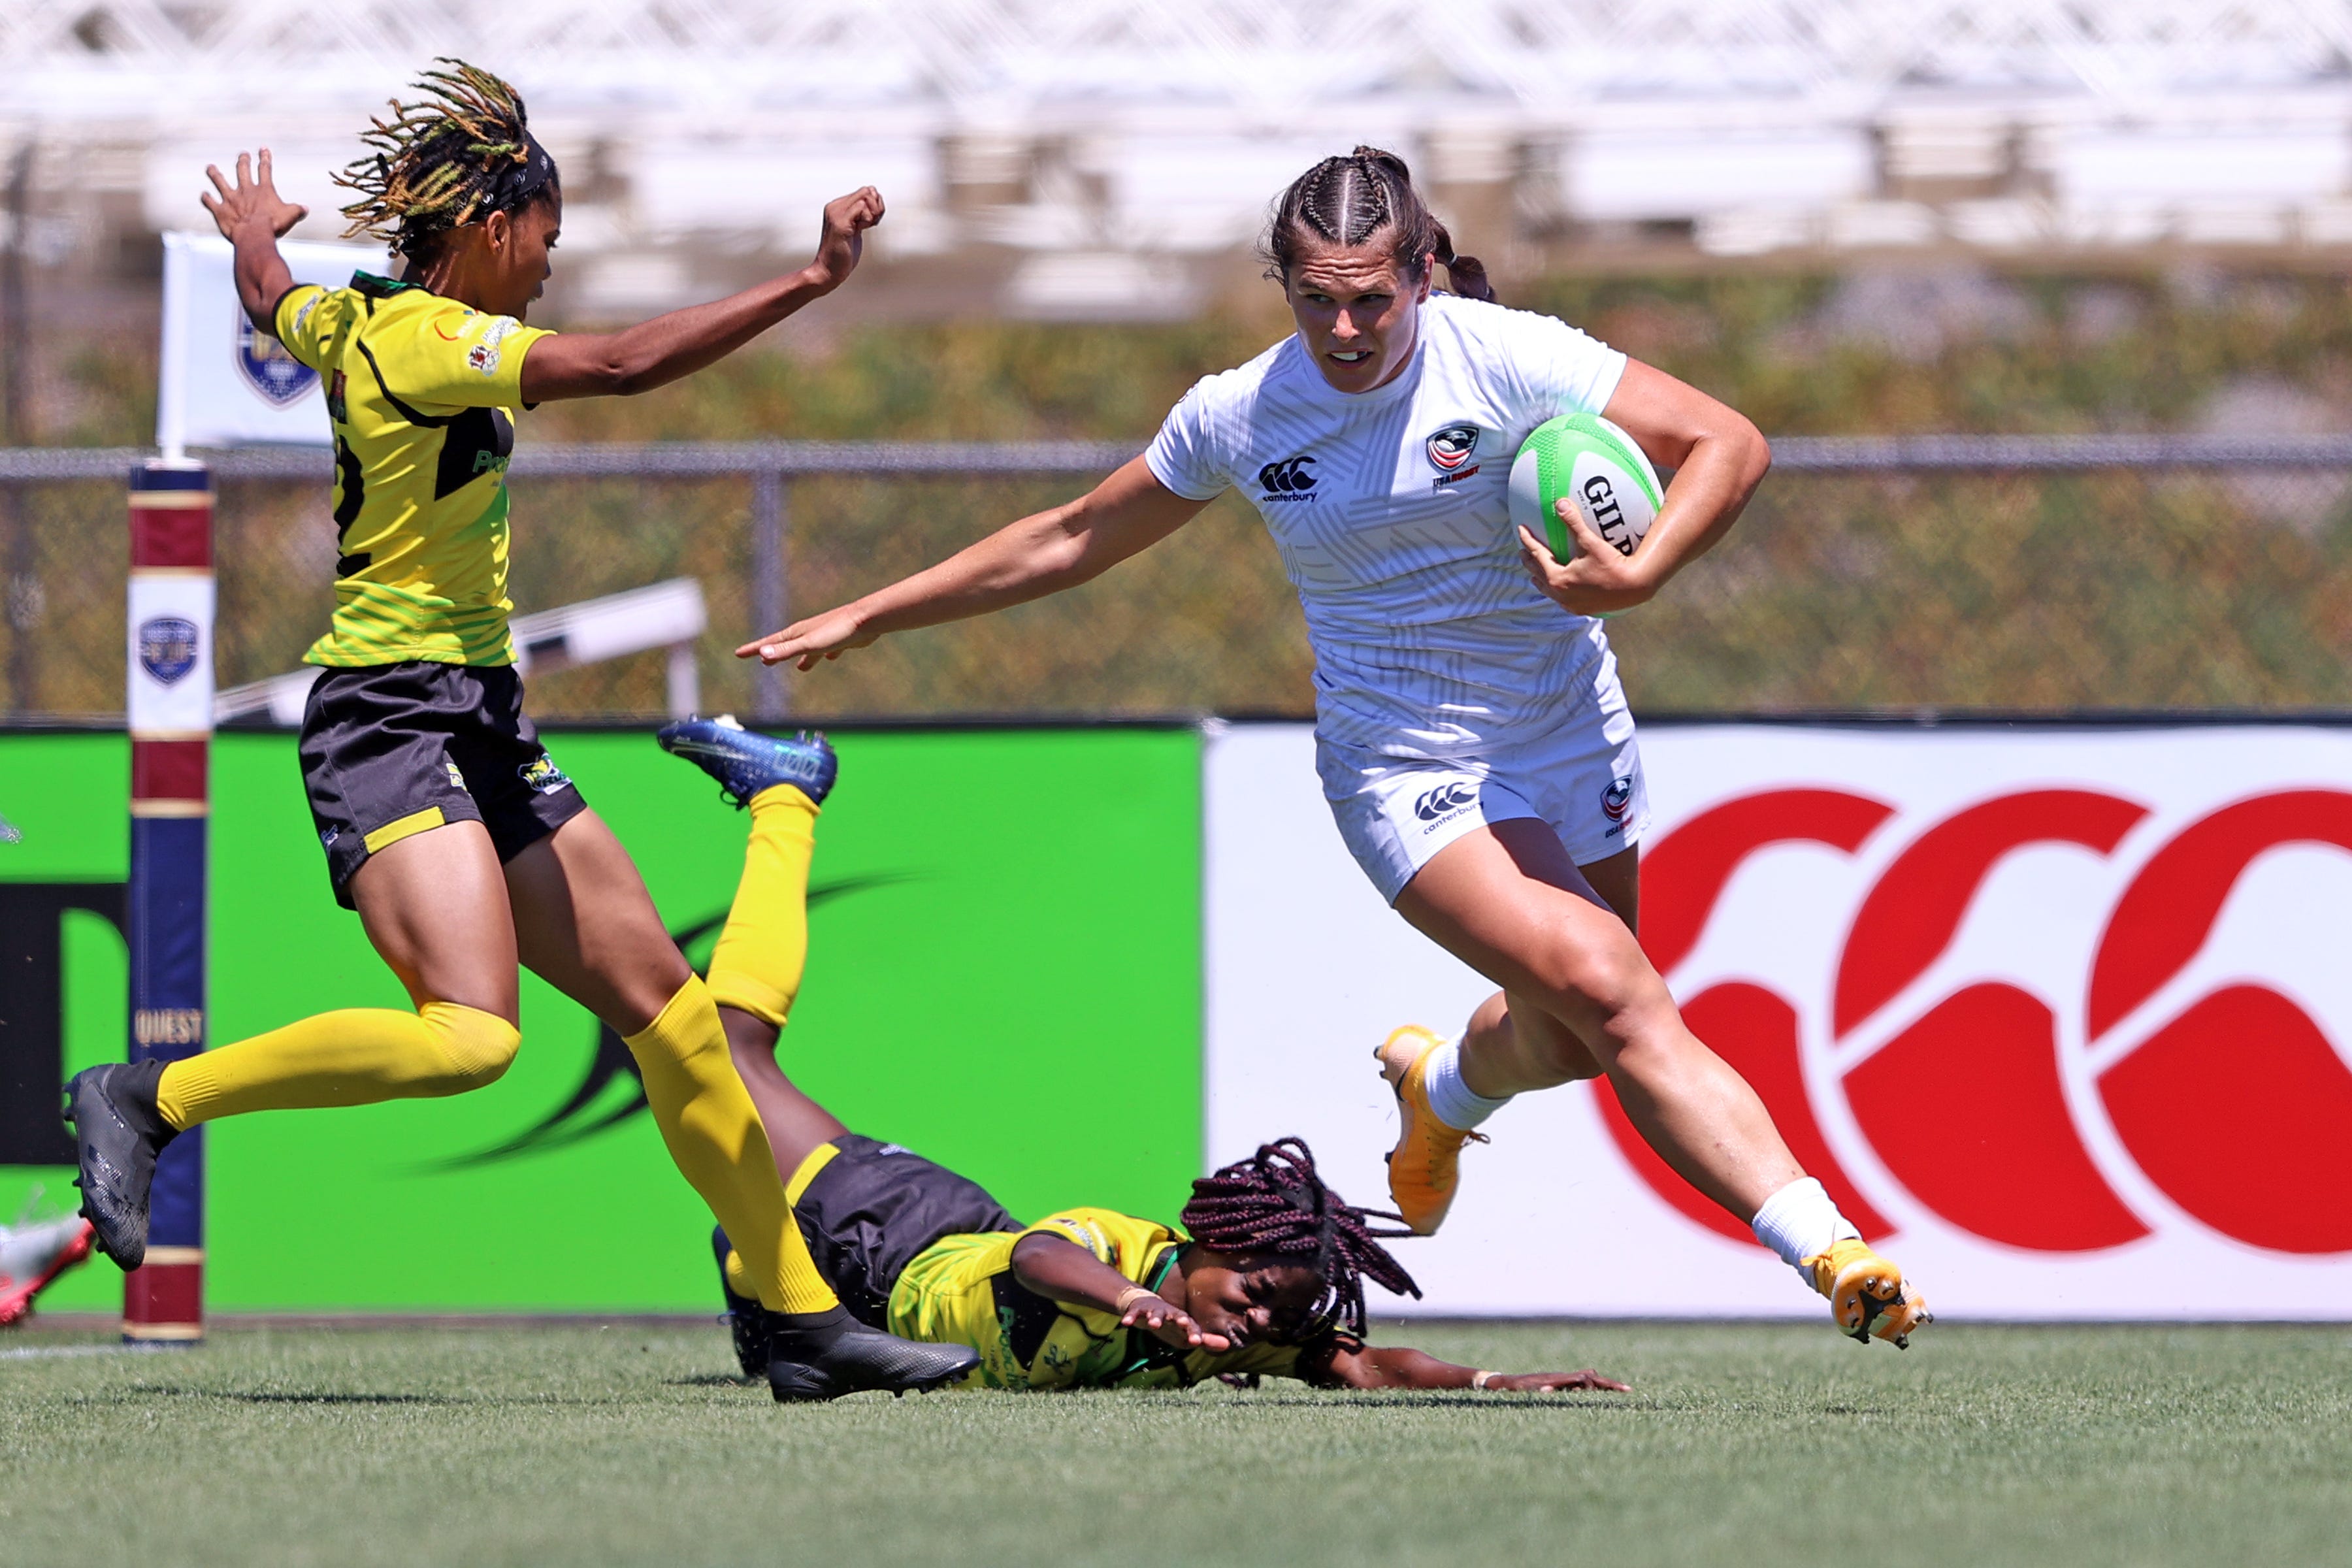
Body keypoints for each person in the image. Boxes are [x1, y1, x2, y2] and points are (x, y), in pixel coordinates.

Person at [735, 147, 1930, 1347]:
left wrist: (1644, 571)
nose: (1346, 326)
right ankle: (1831, 1255)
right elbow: (1071, 536)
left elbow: (1728, 442)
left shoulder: (1508, 356)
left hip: (1571, 733)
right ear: (1284, 286)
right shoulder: (1245, 412)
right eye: (1317, 298)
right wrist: (875, 610)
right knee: (1617, 995)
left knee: (1571, 1041)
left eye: (1372, 297)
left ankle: (1441, 1092)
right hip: (1406, 769)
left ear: (1421, 274)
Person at [63, 59, 973, 1399]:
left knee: (672, 1018)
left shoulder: (351, 316)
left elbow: (275, 299)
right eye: (547, 238)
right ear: (493, 230)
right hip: (388, 719)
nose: (552, 265)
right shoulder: (434, 340)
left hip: (478, 717)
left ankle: (799, 1318)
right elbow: (618, 364)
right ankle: (151, 1100)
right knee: (471, 1037)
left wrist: (256, 238)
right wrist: (809, 283)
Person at [657, 717, 1627, 1396]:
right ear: (1208, 1240)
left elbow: (1365, 1363)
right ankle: (787, 796)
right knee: (736, 1057)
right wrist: (1133, 1304)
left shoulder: (1213, 1340)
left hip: (878, 1282)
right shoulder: (1127, 1256)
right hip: (892, 1229)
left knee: (746, 1159)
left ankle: (754, 1267)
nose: (1255, 1325)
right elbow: (1040, 1256)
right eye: (1253, 1294)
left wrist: (1501, 1381)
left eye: (1273, 1319)